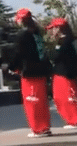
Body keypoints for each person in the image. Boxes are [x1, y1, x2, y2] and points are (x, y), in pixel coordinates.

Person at [9, 8, 53, 138]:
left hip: (29, 72)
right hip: (41, 71)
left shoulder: (23, 35)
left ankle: (38, 128)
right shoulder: (37, 33)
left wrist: (12, 67)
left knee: (32, 101)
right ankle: (45, 126)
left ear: (21, 20)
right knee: (41, 101)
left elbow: (18, 53)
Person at [46, 18, 77, 129]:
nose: (52, 31)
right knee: (60, 98)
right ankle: (72, 119)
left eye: (53, 28)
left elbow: (56, 57)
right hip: (63, 73)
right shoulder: (68, 40)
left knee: (67, 97)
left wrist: (52, 52)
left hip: (65, 74)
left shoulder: (65, 41)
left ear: (59, 28)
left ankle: (75, 120)